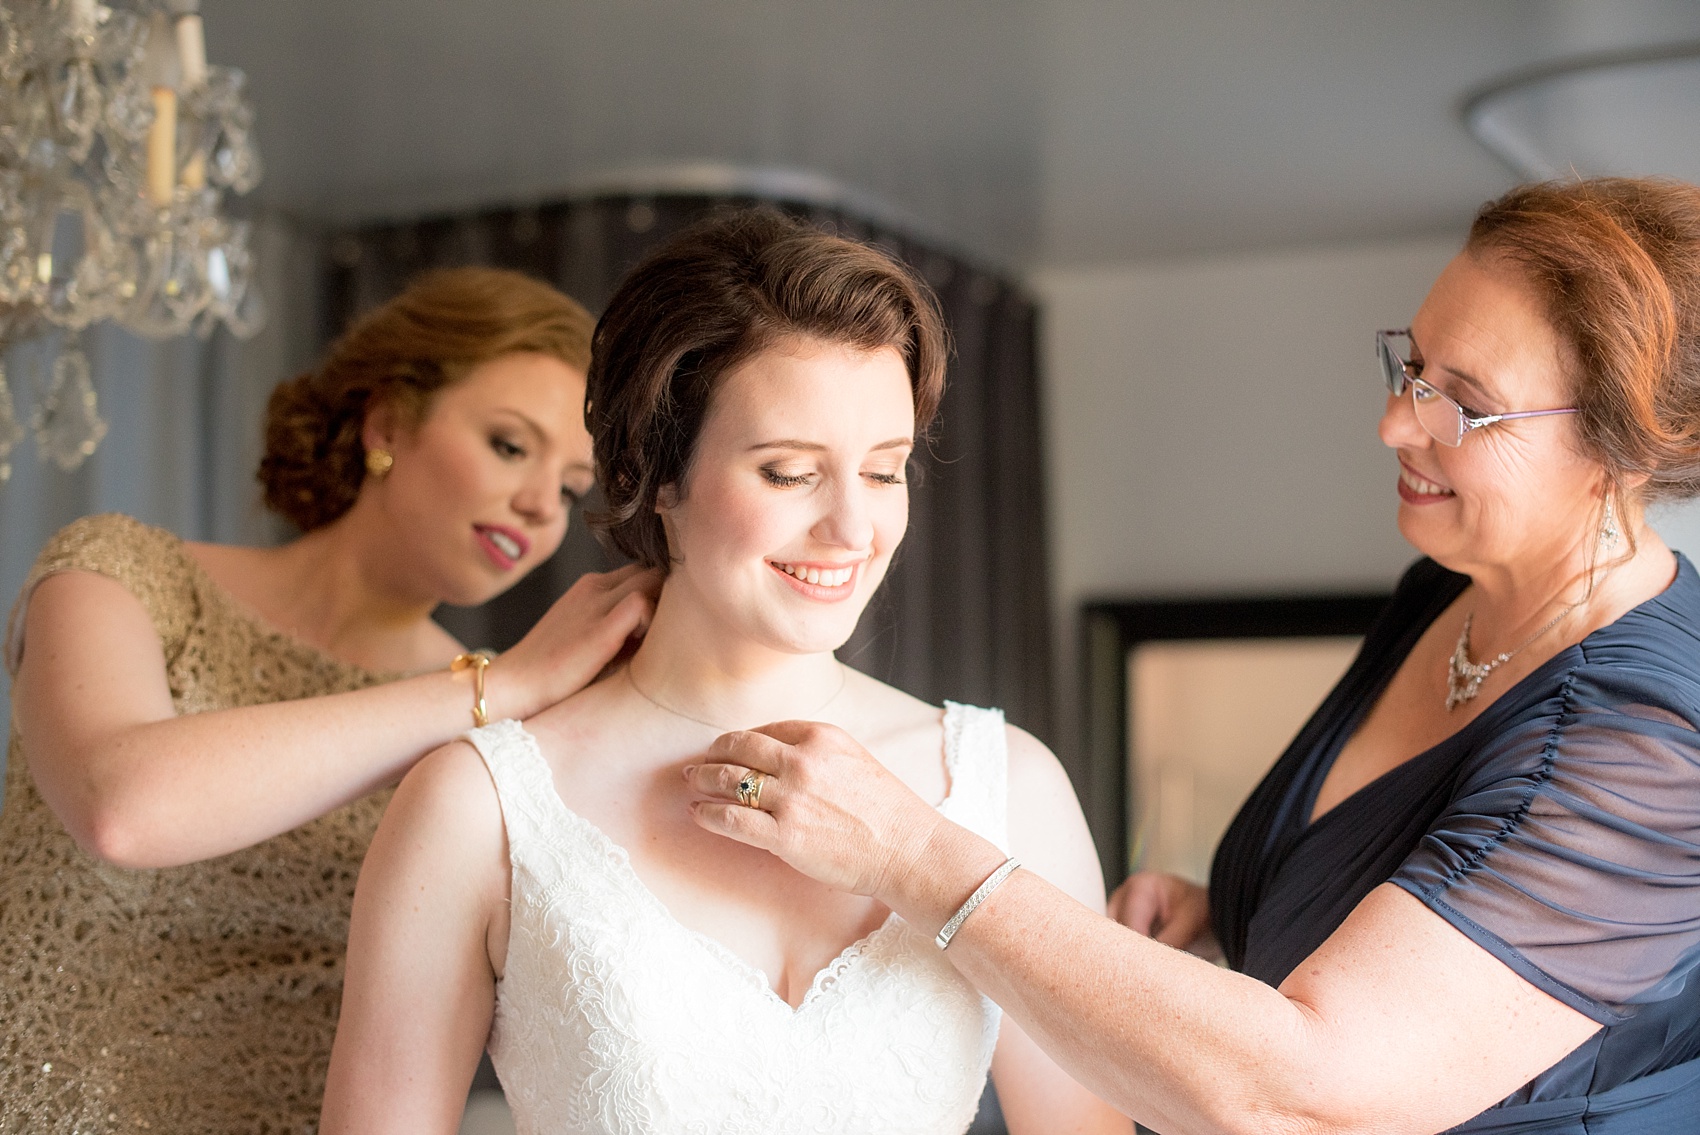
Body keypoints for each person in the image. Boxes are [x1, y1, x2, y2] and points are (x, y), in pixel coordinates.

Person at [685, 178, 1700, 1134]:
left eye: (1463, 402)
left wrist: (910, 853)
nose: (1394, 419)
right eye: (1413, 365)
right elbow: (1441, 920)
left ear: (1622, 448)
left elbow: (1307, 1101)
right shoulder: (1455, 586)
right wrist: (1237, 911)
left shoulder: (1649, 744)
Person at [320, 210, 1129, 1135]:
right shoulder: (479, 806)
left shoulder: (1007, 784)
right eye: (790, 473)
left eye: (884, 471)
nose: (853, 531)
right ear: (655, 472)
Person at [0, 267, 659, 1134]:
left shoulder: (503, 724)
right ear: (386, 422)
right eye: (509, 445)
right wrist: (500, 686)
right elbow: (122, 808)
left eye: (572, 489)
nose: (541, 506)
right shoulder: (122, 576)